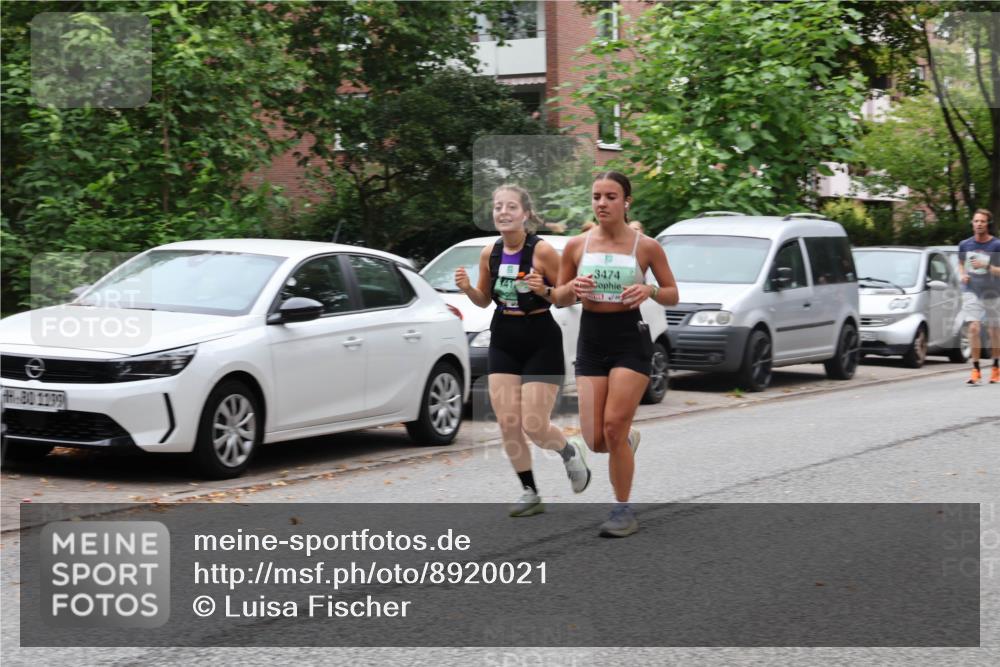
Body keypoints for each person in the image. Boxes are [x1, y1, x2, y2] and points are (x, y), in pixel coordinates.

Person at [551, 171, 679, 537]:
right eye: (596, 197)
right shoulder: (577, 246)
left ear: (627, 202)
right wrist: (572, 288)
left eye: (610, 196)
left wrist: (649, 291)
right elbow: (557, 296)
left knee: (612, 425)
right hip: (591, 340)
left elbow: (673, 293)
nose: (602, 203)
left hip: (628, 339)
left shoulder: (646, 246)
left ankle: (623, 511)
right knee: (595, 440)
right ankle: (625, 439)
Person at [455, 184, 591, 516]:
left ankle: (568, 451)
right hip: (504, 335)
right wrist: (469, 288)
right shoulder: (491, 252)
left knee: (533, 424)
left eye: (511, 207)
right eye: (498, 207)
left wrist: (543, 288)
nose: (503, 212)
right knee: (507, 422)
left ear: (525, 214)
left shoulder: (542, 251)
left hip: (540, 336)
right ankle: (530, 492)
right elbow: (485, 300)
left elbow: (569, 295)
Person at [957, 208, 1000, 384]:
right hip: (972, 290)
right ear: (972, 223)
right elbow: (960, 264)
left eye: (982, 221)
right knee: (974, 327)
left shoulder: (996, 245)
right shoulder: (965, 245)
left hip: (993, 291)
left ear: (987, 224)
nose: (979, 224)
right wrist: (962, 275)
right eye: (976, 221)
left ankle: (996, 367)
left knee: (993, 331)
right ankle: (975, 370)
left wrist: (987, 265)